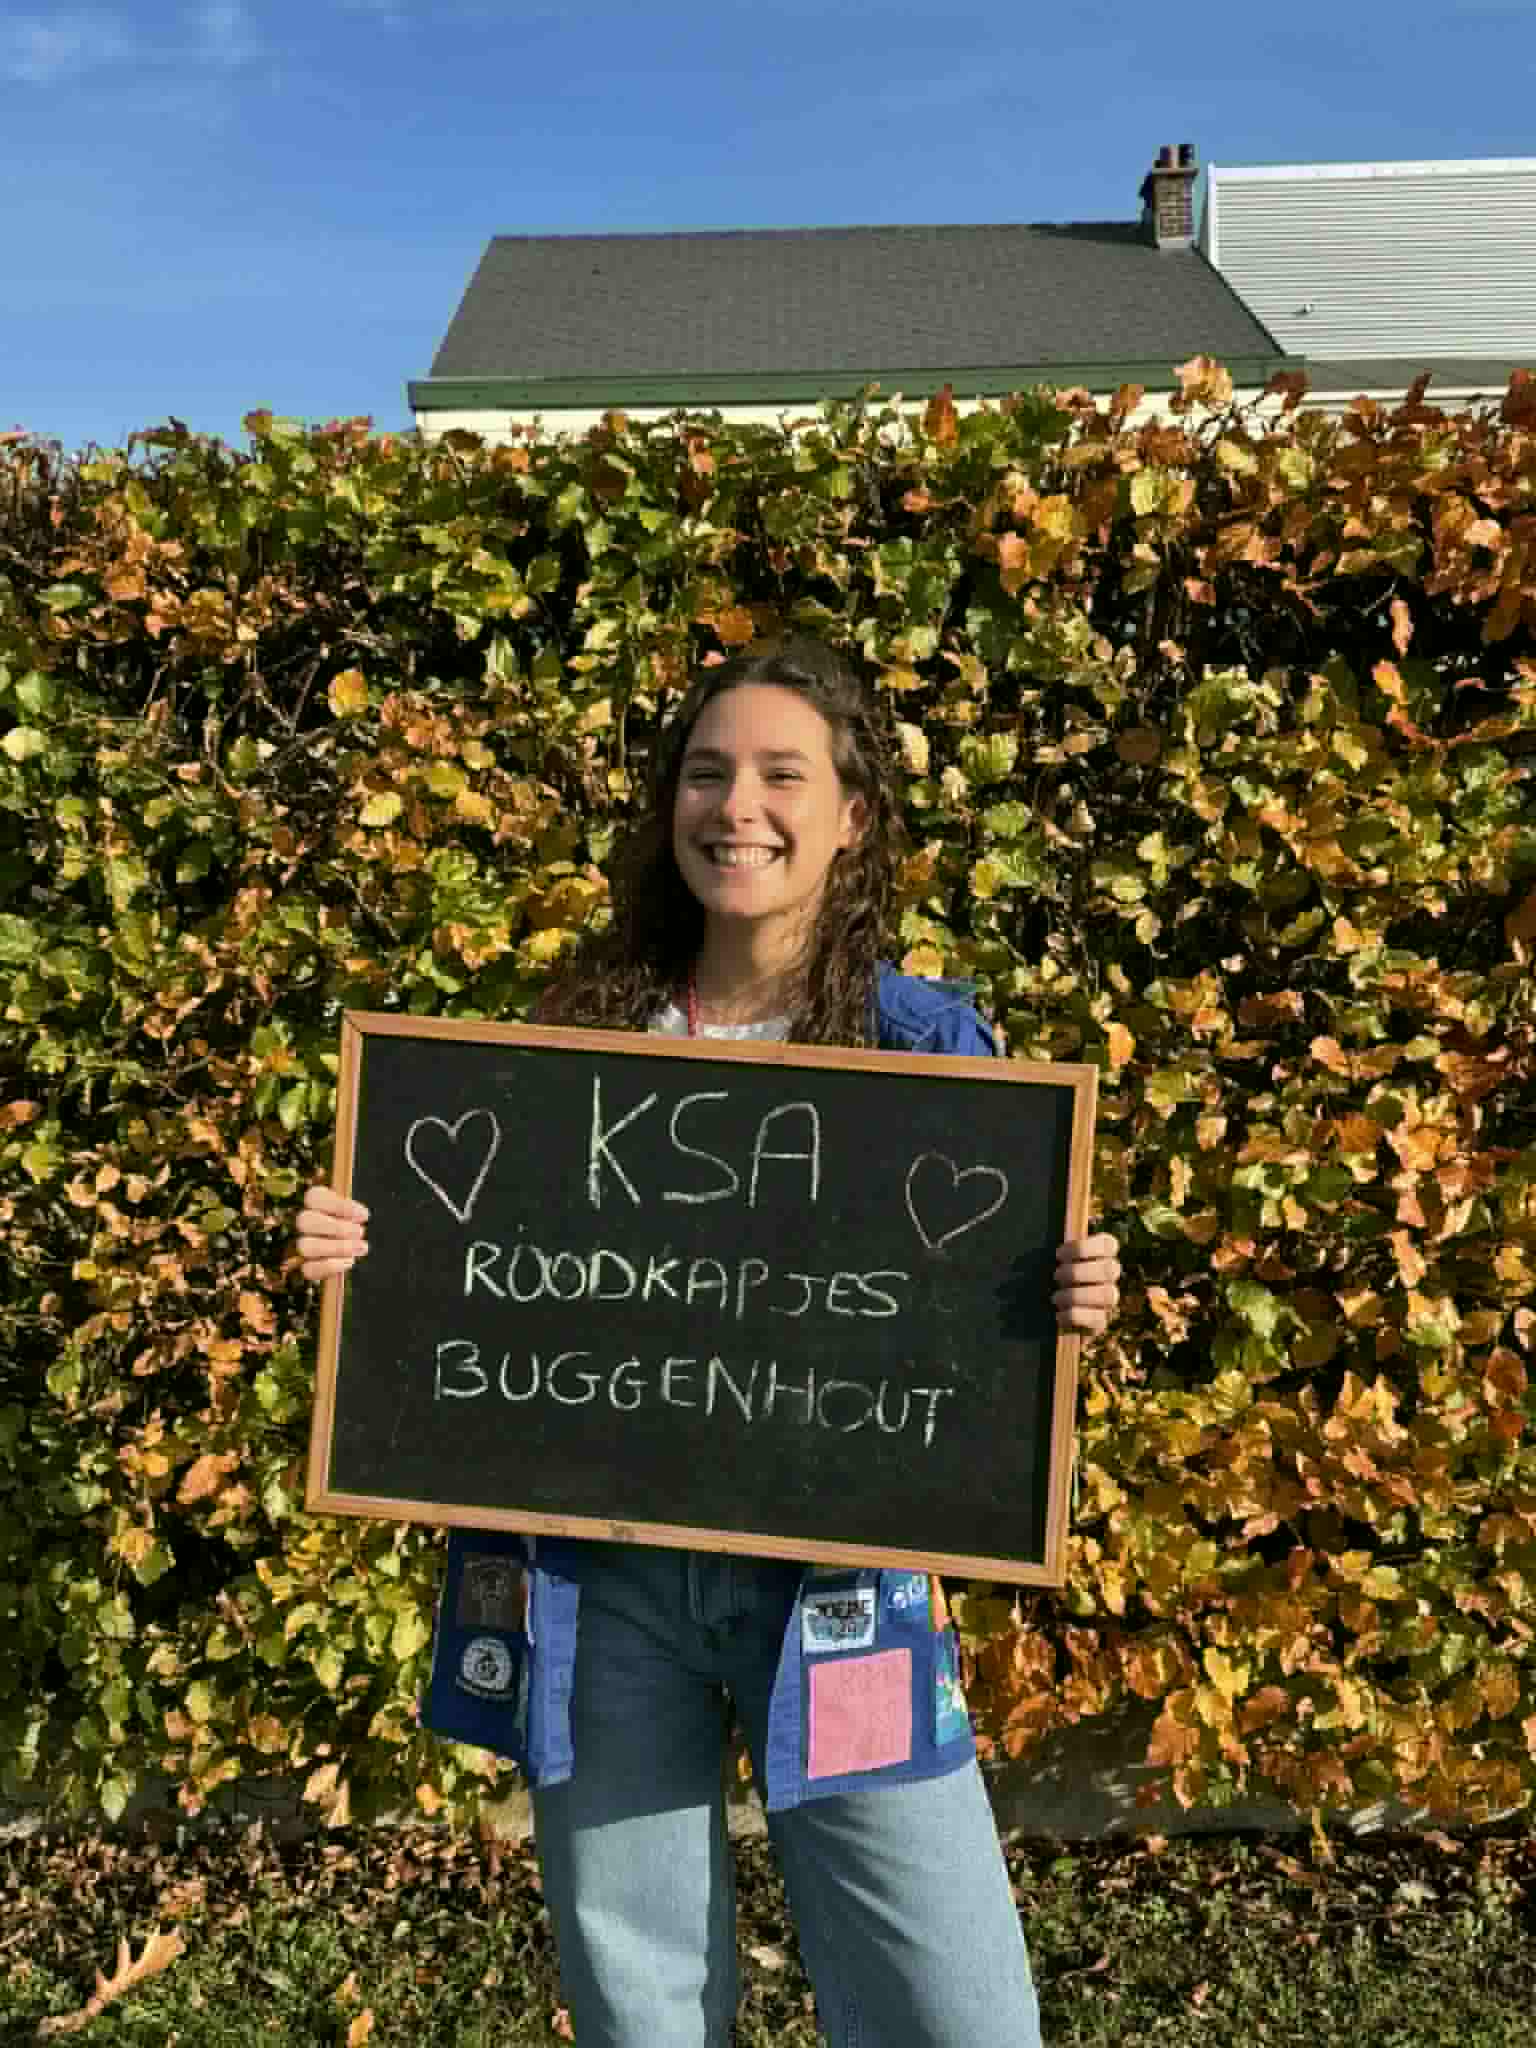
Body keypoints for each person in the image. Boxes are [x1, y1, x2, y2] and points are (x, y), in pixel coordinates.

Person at [296, 635, 1121, 2048]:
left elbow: (977, 1332)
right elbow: (480, 1277)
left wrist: (1064, 1299)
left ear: (852, 817)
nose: (738, 806)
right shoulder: (581, 1034)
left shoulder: (925, 1045)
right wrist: (363, 1255)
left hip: (841, 1586)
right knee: (640, 2002)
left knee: (957, 2009)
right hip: (601, 1583)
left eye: (782, 775)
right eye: (706, 772)